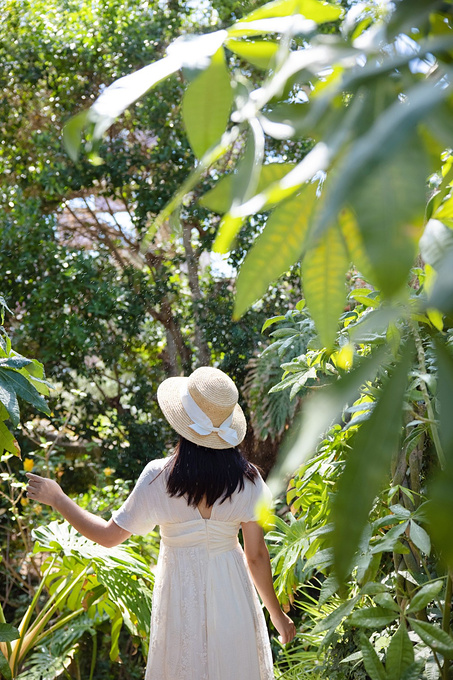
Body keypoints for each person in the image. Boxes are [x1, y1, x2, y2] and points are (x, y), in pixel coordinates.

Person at [26, 366, 296, 679]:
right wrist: (277, 614)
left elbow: (108, 536)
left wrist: (59, 498)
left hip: (181, 596)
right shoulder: (249, 481)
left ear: (183, 424)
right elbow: (256, 556)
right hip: (232, 592)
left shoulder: (158, 478)